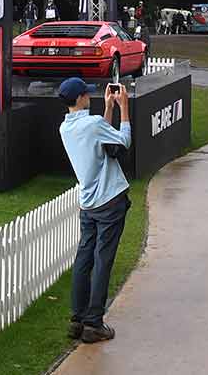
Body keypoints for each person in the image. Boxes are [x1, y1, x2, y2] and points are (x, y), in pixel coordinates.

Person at [58, 77, 132, 344]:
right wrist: (124, 108)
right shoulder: (93, 124)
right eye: (87, 94)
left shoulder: (65, 128)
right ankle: (94, 323)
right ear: (80, 98)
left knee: (84, 259)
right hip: (110, 201)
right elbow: (123, 141)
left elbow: (99, 138)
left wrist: (108, 108)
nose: (89, 96)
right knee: (103, 260)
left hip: (88, 204)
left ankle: (77, 319)